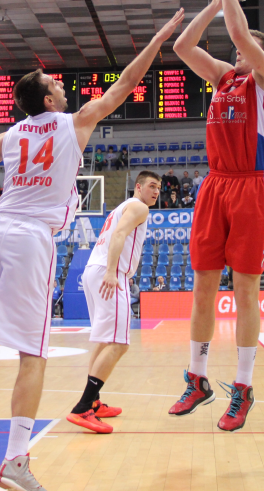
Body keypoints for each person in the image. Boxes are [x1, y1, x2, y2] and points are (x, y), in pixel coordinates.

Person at [0, 8, 186, 488]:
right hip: (31, 236)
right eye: (56, 82)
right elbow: (129, 81)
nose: (62, 85)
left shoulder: (7, 136)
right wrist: (160, 36)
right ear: (50, 99)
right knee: (33, 354)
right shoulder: (74, 123)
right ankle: (15, 461)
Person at [167, 0, 264, 431]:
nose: (238, 52)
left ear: (263, 53)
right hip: (215, 185)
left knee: (246, 291)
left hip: (252, 186)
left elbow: (240, 36)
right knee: (202, 289)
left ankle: (243, 387)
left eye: (247, 49)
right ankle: (197, 379)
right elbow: (182, 45)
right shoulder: (224, 77)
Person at [64, 171, 161, 434]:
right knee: (119, 343)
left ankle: (93, 402)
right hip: (108, 273)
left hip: (95, 271)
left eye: (159, 188)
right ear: (138, 187)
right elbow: (119, 235)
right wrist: (112, 271)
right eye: (151, 186)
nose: (156, 192)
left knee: (104, 340)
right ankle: (83, 407)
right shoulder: (139, 207)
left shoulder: (121, 207)